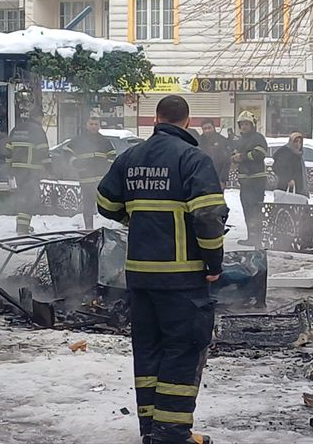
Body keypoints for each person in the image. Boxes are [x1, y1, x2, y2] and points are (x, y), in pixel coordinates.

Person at [97, 95, 227, 444]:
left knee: (149, 352)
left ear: (156, 118)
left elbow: (105, 203)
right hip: (182, 278)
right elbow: (208, 215)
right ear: (187, 121)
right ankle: (172, 434)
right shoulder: (193, 158)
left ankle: (151, 431)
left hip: (140, 277)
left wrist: (138, 217)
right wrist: (214, 261)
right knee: (182, 351)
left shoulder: (130, 157)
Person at [67, 112, 116, 229]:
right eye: (91, 124)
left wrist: (106, 167)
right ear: (86, 125)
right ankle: (88, 228)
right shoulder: (78, 140)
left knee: (105, 205)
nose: (94, 126)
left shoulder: (105, 141)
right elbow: (67, 153)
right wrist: (75, 163)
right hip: (86, 179)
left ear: (99, 126)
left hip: (101, 180)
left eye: (96, 124)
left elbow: (112, 156)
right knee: (88, 206)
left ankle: (107, 227)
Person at [6, 107, 51, 235]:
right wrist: (49, 168)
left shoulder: (16, 129)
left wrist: (9, 168)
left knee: (23, 197)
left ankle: (22, 226)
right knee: (29, 198)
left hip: (17, 170)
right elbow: (43, 151)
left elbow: (8, 150)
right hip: (31, 170)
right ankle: (22, 228)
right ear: (39, 117)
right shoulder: (37, 130)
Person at [232, 110, 267, 246]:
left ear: (252, 125)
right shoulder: (240, 140)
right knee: (247, 210)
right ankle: (251, 236)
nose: (244, 127)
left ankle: (257, 237)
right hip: (245, 182)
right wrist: (234, 158)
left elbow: (260, 154)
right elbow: (234, 155)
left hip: (256, 180)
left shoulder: (258, 138)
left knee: (255, 210)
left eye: (247, 124)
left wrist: (242, 157)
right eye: (242, 124)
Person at [272, 132, 308, 197]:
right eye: (295, 142)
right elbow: (277, 167)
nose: (298, 144)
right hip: (286, 186)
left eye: (300, 142)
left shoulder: (298, 154)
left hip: (297, 187)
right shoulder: (285, 152)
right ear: (291, 142)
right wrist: (288, 179)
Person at [198, 119, 231, 189]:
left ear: (214, 128)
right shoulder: (198, 142)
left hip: (218, 179)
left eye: (209, 128)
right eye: (205, 128)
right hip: (202, 179)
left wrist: (222, 180)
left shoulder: (223, 141)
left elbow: (227, 162)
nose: (207, 130)